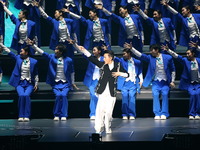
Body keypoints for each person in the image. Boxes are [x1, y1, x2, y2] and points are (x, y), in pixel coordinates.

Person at [73, 43, 129, 133]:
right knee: (100, 110)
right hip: (102, 91)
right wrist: (83, 49)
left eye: (105, 57)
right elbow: (91, 58)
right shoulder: (102, 65)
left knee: (109, 112)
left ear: (110, 57)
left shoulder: (117, 65)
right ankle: (98, 128)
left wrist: (120, 74)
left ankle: (108, 127)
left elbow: (127, 74)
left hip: (111, 92)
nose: (104, 58)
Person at [124, 43, 176, 120]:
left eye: (152, 50)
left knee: (165, 94)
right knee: (155, 95)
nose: (151, 52)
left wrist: (172, 81)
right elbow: (140, 55)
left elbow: (173, 70)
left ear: (157, 50)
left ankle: (164, 113)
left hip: (165, 82)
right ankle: (157, 113)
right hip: (155, 81)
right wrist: (132, 49)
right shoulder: (150, 58)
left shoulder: (167, 58)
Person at [30, 41, 74, 121]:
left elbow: (71, 72)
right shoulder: (52, 57)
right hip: (56, 83)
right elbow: (42, 53)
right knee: (58, 96)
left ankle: (64, 114)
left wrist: (73, 83)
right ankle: (56, 114)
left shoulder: (68, 60)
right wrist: (33, 45)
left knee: (63, 95)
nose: (55, 50)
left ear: (61, 51)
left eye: (57, 49)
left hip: (65, 83)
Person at [0, 43, 38, 122]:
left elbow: (36, 74)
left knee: (26, 95)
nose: (20, 51)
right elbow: (9, 51)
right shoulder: (18, 58)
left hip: (29, 84)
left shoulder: (34, 62)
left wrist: (36, 84)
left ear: (26, 52)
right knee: (21, 95)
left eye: (22, 50)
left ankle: (26, 115)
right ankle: (21, 115)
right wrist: (1, 44)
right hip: (20, 83)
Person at [162, 44, 200, 120]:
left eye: (188, 53)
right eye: (186, 53)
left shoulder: (198, 60)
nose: (187, 55)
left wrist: (197, 47)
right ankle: (192, 113)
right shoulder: (185, 61)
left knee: (198, 94)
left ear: (193, 54)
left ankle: (197, 113)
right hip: (189, 83)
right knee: (193, 94)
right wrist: (169, 50)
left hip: (198, 83)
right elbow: (177, 56)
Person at [115, 48, 143, 120]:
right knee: (124, 97)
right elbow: (115, 58)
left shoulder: (137, 62)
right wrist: (106, 50)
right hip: (125, 82)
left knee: (132, 97)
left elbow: (140, 72)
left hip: (133, 82)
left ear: (129, 54)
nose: (123, 55)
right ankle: (124, 114)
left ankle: (132, 114)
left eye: (124, 54)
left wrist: (141, 81)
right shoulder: (122, 60)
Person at [83, 46, 104, 120]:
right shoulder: (91, 59)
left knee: (101, 97)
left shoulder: (104, 59)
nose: (93, 51)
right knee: (93, 95)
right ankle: (93, 113)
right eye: (93, 50)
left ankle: (100, 113)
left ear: (99, 51)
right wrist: (75, 45)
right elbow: (83, 52)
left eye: (94, 50)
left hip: (101, 80)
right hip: (92, 80)